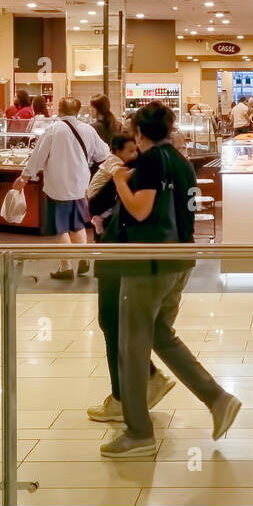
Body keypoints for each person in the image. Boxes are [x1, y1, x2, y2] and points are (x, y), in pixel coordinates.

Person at [98, 102, 242, 457]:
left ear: (139, 133)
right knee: (160, 334)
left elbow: (141, 209)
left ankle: (138, 432)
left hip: (148, 263)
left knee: (132, 346)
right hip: (179, 259)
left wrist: (118, 178)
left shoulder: (149, 161)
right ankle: (218, 398)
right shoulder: (180, 161)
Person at [86, 130, 174, 425]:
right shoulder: (166, 165)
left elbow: (96, 205)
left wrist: (118, 184)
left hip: (121, 252)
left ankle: (125, 397)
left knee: (112, 320)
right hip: (139, 254)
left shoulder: (135, 172)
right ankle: (141, 383)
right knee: (121, 322)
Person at [11, 97, 110, 279]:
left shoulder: (53, 130)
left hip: (57, 187)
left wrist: (24, 177)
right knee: (78, 224)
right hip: (80, 185)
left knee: (61, 227)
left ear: (60, 109)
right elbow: (104, 154)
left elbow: (37, 157)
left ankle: (65, 266)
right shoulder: (88, 130)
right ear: (78, 111)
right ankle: (83, 257)